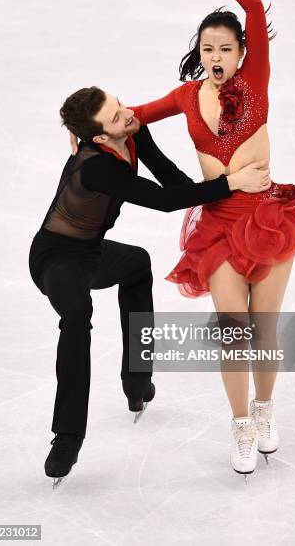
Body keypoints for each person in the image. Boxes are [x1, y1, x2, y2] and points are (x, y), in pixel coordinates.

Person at [71, 0, 295, 477]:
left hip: (270, 215)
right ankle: (242, 424)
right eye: (208, 49)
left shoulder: (256, 78)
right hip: (219, 222)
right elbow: (129, 116)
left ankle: (267, 409)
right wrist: (83, 130)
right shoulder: (185, 97)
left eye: (226, 48)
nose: (216, 57)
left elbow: (251, 8)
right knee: (234, 329)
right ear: (199, 52)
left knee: (263, 329)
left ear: (242, 52)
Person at [30, 86, 270, 486]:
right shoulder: (96, 166)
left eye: (119, 102)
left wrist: (219, 197)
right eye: (115, 116)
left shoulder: (131, 130)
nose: (127, 112)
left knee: (136, 264)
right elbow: (163, 201)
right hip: (55, 258)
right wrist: (232, 184)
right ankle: (67, 436)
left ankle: (137, 381)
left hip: (91, 251)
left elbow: (172, 181)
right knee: (77, 316)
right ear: (100, 138)